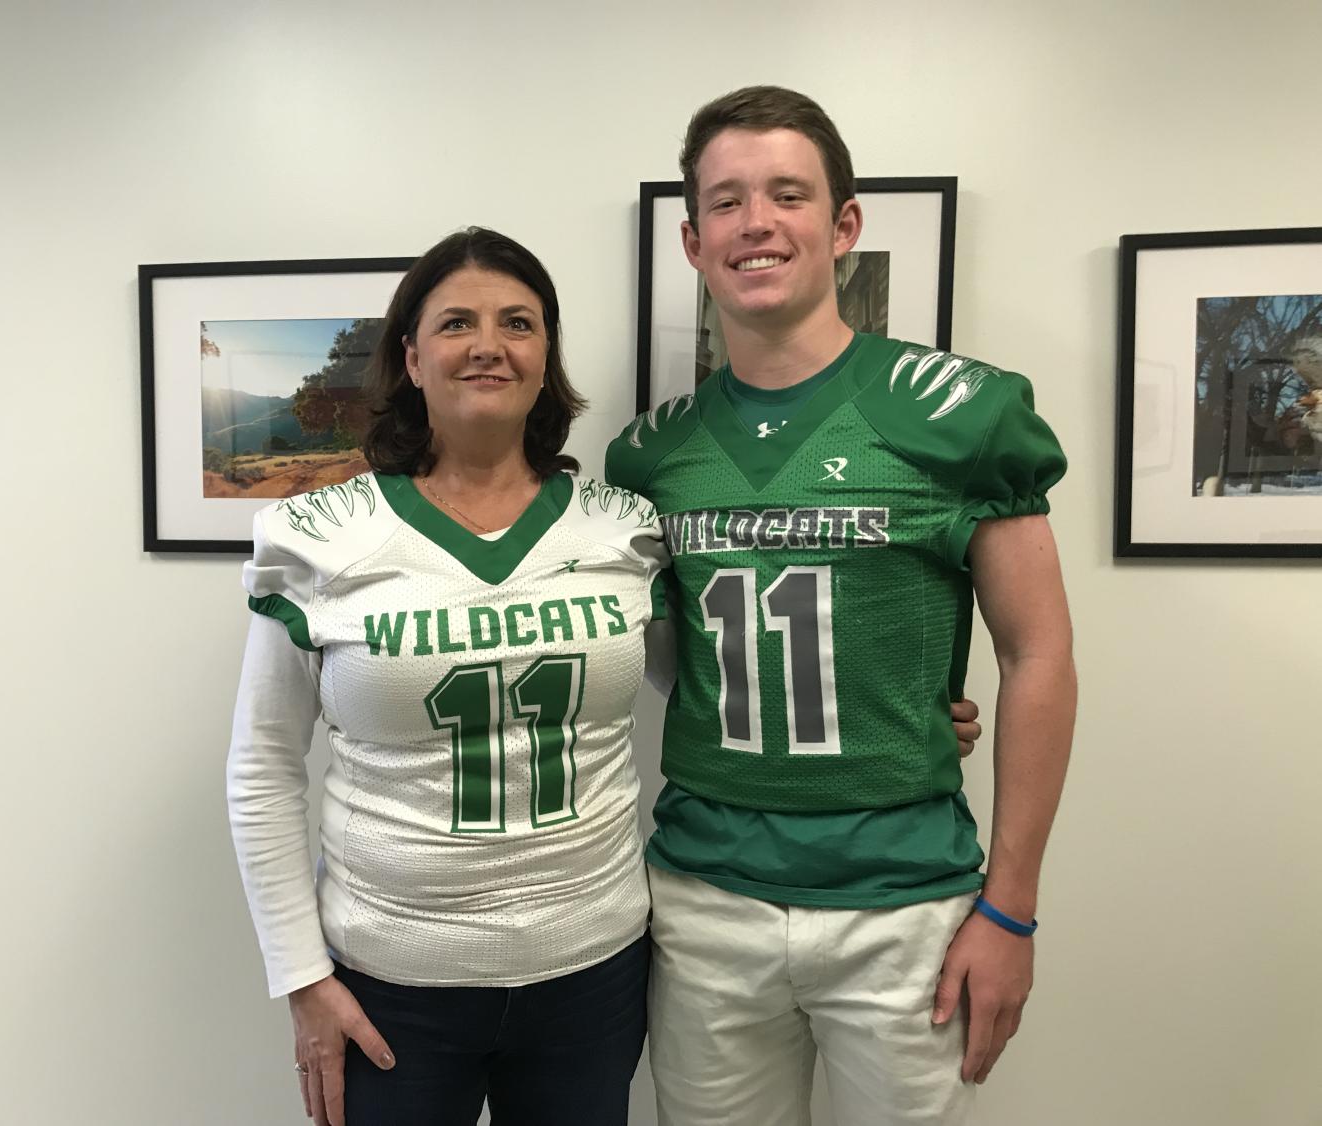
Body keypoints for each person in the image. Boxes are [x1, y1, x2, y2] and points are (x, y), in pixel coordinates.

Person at [226, 226, 986, 1126]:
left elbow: (707, 679)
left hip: (592, 970)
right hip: (397, 975)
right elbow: (263, 768)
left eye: (518, 322)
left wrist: (880, 705)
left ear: (546, 356)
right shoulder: (321, 533)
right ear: (411, 356)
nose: (487, 344)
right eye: (456, 323)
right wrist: (302, 975)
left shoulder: (620, 525)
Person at [605, 86, 1077, 1126]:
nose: (756, 222)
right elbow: (674, 658)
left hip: (902, 896)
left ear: (843, 224)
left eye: (786, 193)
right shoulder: (648, 453)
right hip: (705, 888)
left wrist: (1013, 905)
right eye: (725, 202)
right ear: (692, 239)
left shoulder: (961, 410)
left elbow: (1037, 655)